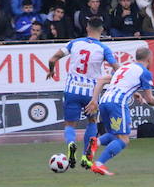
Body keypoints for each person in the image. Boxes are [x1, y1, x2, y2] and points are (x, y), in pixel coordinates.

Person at [46, 18, 120, 170]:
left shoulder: (75, 43)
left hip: (72, 90)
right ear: (101, 30)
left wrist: (51, 70)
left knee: (70, 125)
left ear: (87, 28)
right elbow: (117, 67)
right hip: (91, 92)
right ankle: (87, 157)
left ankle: (71, 144)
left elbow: (52, 59)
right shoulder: (103, 48)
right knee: (92, 122)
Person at [85, 47, 154, 176]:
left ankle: (95, 142)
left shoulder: (124, 68)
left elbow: (104, 81)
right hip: (117, 104)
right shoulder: (145, 72)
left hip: (104, 102)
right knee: (124, 139)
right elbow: (150, 98)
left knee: (114, 135)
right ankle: (99, 164)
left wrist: (94, 100)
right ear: (149, 59)